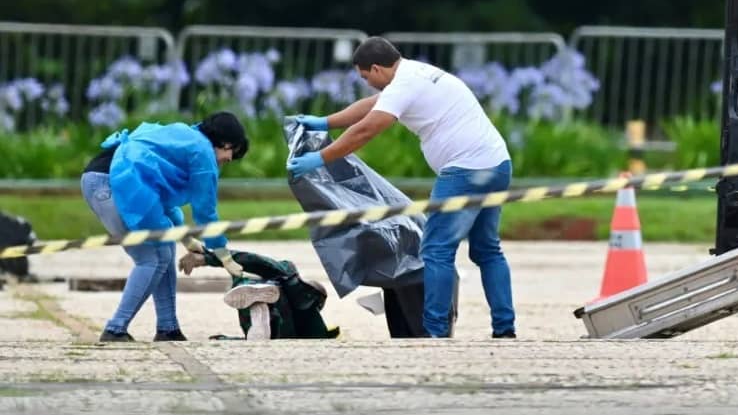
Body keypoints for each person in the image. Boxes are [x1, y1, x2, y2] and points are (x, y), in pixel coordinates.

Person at [286, 36, 515, 339]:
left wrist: (320, 158)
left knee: (435, 250)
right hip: (497, 164)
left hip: (466, 171)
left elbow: (367, 128)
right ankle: (504, 328)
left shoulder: (404, 85)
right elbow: (370, 107)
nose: (369, 84)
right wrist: (325, 123)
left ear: (377, 68)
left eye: (367, 77)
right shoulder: (416, 73)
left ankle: (433, 333)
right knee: (487, 250)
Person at [79, 111, 249, 342]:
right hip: (110, 183)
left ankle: (168, 328)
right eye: (232, 151)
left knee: (164, 250)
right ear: (226, 142)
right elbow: (205, 212)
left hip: (104, 178)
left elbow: (158, 194)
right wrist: (223, 254)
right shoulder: (203, 154)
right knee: (150, 258)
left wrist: (186, 238)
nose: (229, 159)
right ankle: (115, 329)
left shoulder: (186, 136)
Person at [178, 246, 339, 340]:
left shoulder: (288, 270)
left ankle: (259, 298)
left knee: (246, 277)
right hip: (279, 326)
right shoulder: (309, 320)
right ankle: (261, 298)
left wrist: (207, 257)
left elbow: (250, 259)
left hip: (268, 304)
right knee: (254, 284)